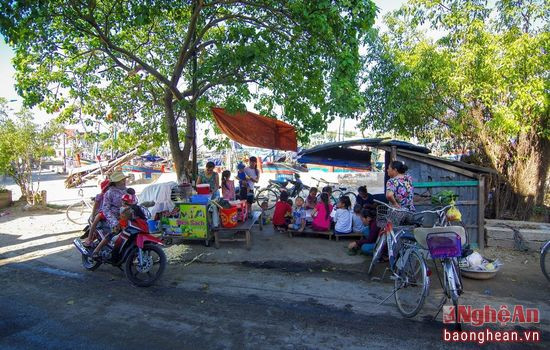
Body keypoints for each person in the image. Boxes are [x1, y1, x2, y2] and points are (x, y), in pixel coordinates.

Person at [90, 171, 130, 258]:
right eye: (121, 180)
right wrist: (114, 221)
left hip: (126, 215)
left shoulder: (127, 191)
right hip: (113, 217)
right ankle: (96, 250)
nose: (124, 181)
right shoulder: (109, 193)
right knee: (114, 233)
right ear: (116, 182)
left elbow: (134, 202)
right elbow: (105, 209)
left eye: (124, 179)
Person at [82, 178, 110, 247]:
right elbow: (95, 206)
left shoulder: (113, 194)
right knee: (96, 219)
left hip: (109, 212)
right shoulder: (100, 196)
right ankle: (89, 238)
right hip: (101, 211)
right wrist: (93, 215)